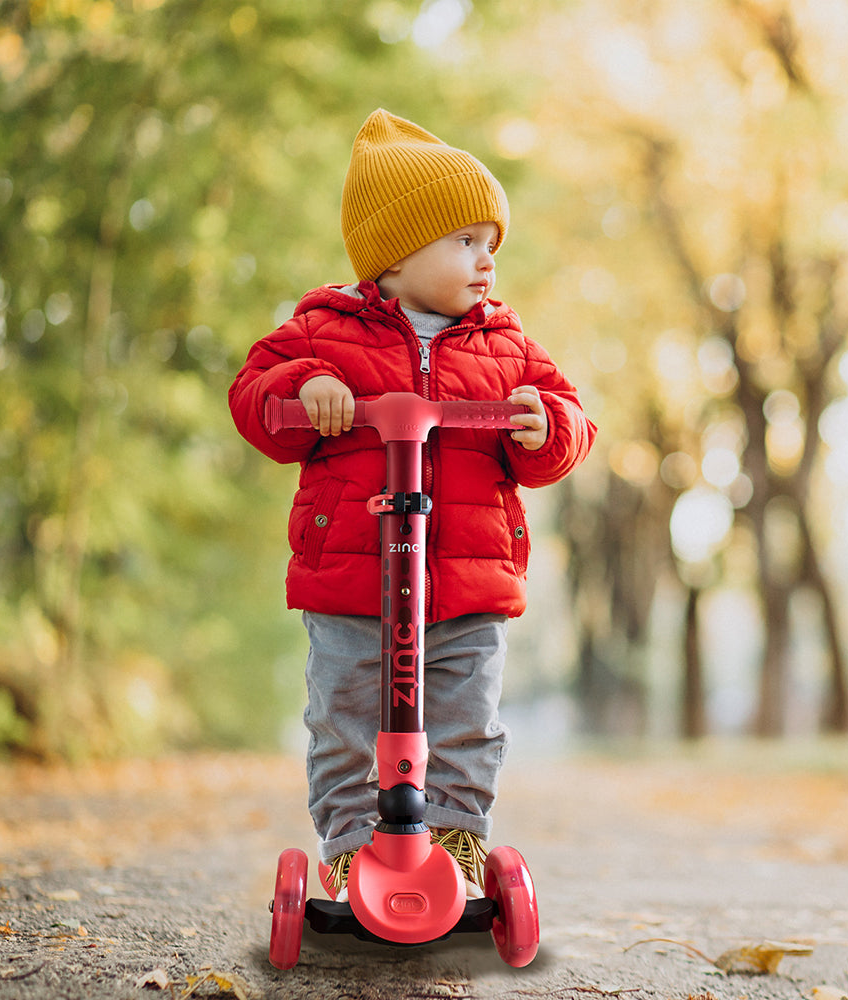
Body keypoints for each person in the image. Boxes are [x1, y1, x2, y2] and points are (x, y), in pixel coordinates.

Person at [229, 108, 596, 900]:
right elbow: (255, 397)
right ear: (394, 253)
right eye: (465, 241)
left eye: (492, 244)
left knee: (468, 719)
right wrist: (306, 388)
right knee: (346, 714)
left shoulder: (507, 346)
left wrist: (544, 425)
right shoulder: (322, 330)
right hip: (356, 578)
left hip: (468, 581)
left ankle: (458, 841)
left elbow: (571, 424)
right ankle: (353, 846)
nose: (487, 261)